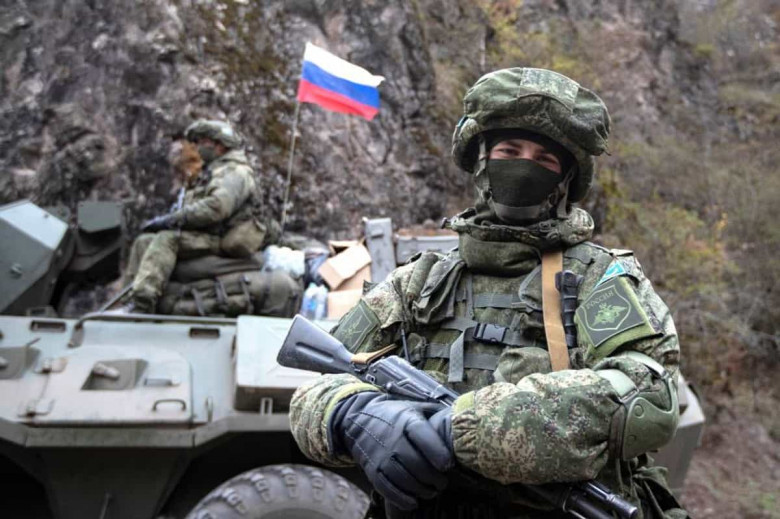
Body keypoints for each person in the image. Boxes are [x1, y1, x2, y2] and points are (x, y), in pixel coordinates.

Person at [289, 68, 687, 518]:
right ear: (481, 161)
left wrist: (469, 430)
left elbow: (649, 392)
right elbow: (316, 385)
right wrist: (355, 417)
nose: (523, 166)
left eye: (544, 159)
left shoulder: (597, 278)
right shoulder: (419, 281)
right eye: (509, 151)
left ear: (565, 180)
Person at [125, 119, 275, 313]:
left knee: (167, 239)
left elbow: (217, 207)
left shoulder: (235, 172)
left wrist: (174, 220)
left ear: (219, 145)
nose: (197, 147)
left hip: (222, 239)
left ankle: (143, 303)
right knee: (143, 242)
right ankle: (131, 297)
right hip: (206, 235)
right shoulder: (213, 172)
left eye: (203, 142)